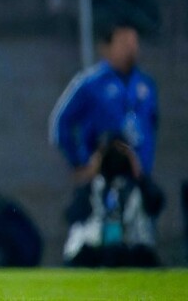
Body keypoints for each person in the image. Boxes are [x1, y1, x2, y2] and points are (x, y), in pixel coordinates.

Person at [49, 22, 159, 185]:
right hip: (100, 175)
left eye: (133, 42)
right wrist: (78, 164)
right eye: (123, 43)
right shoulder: (89, 83)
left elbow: (152, 125)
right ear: (106, 48)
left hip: (138, 177)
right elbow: (61, 124)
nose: (130, 48)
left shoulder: (146, 84)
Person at [63, 135, 163, 267]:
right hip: (94, 249)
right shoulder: (92, 187)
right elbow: (72, 214)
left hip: (129, 248)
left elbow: (156, 204)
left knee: (143, 256)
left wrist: (138, 172)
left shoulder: (136, 187)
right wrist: (91, 173)